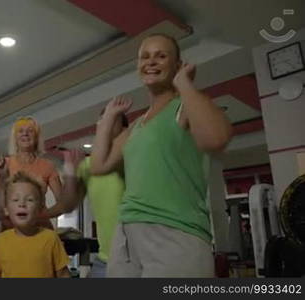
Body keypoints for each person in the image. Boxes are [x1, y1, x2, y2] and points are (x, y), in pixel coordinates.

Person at [91, 33, 232, 277]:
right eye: (144, 57)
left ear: (177, 65)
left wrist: (185, 84)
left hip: (175, 231)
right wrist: (107, 121)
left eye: (161, 56)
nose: (151, 61)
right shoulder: (136, 125)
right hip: (127, 233)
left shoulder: (185, 106)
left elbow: (216, 138)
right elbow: (99, 165)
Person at [52, 111, 128, 278]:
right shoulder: (87, 165)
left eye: (111, 118)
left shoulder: (131, 156)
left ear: (124, 130)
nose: (104, 122)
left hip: (133, 258)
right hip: (105, 258)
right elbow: (69, 205)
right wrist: (71, 172)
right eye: (101, 119)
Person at [0, 171, 70, 278]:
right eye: (15, 200)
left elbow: (63, 274)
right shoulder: (1, 240)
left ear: (40, 209)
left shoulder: (51, 238)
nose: (22, 204)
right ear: (6, 209)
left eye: (30, 200)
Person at [0, 116, 62, 229]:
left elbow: (63, 204)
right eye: (20, 131)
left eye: (30, 131)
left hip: (41, 229)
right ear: (15, 138)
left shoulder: (48, 166)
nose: (25, 134)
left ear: (37, 137)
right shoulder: (2, 164)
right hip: (9, 231)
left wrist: (38, 216)